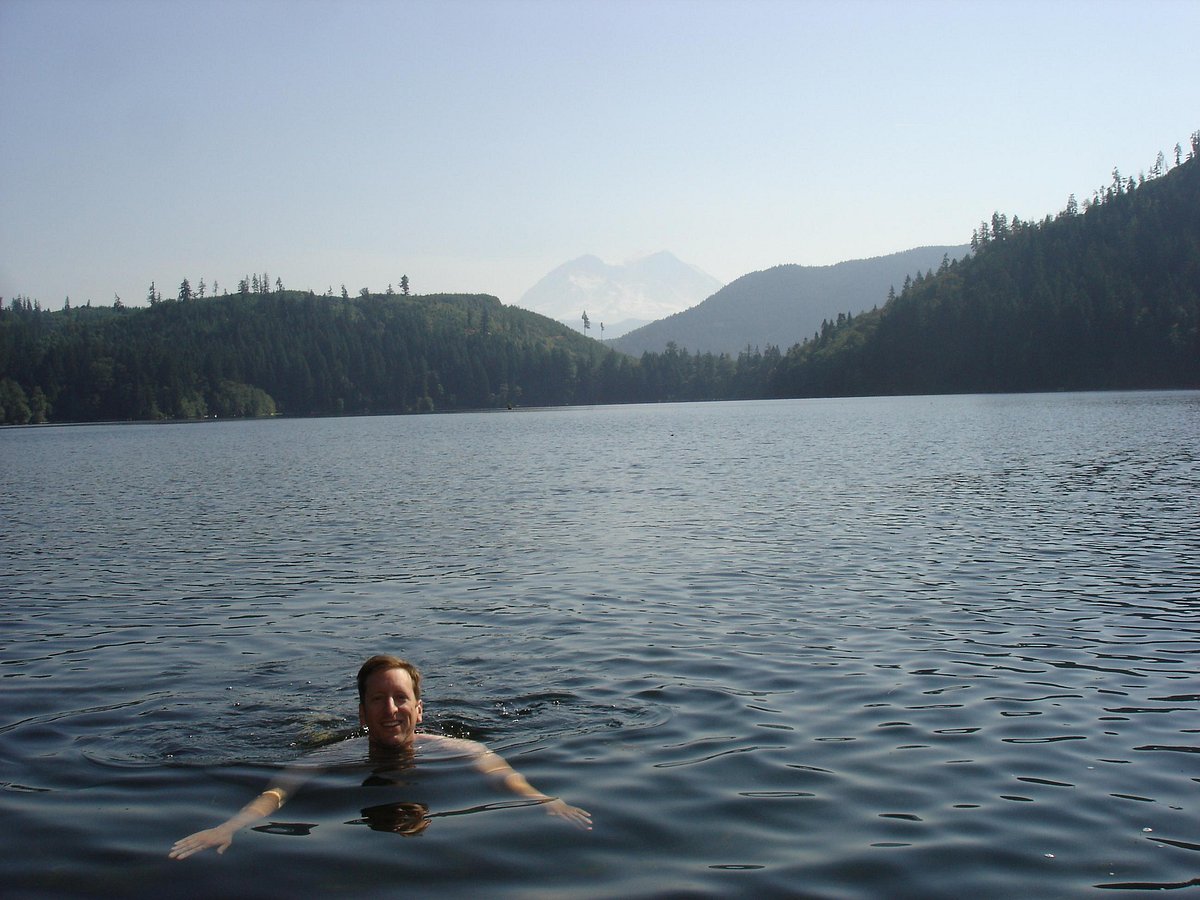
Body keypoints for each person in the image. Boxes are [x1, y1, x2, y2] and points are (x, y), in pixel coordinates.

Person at [169, 655, 591, 859]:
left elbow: (500, 774)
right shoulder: (337, 755)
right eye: (378, 700)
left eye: (400, 699)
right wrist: (230, 827)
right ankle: (313, 721)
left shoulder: (450, 747)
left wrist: (546, 800)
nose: (391, 710)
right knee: (311, 732)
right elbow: (278, 792)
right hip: (338, 743)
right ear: (363, 712)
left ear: (420, 709)